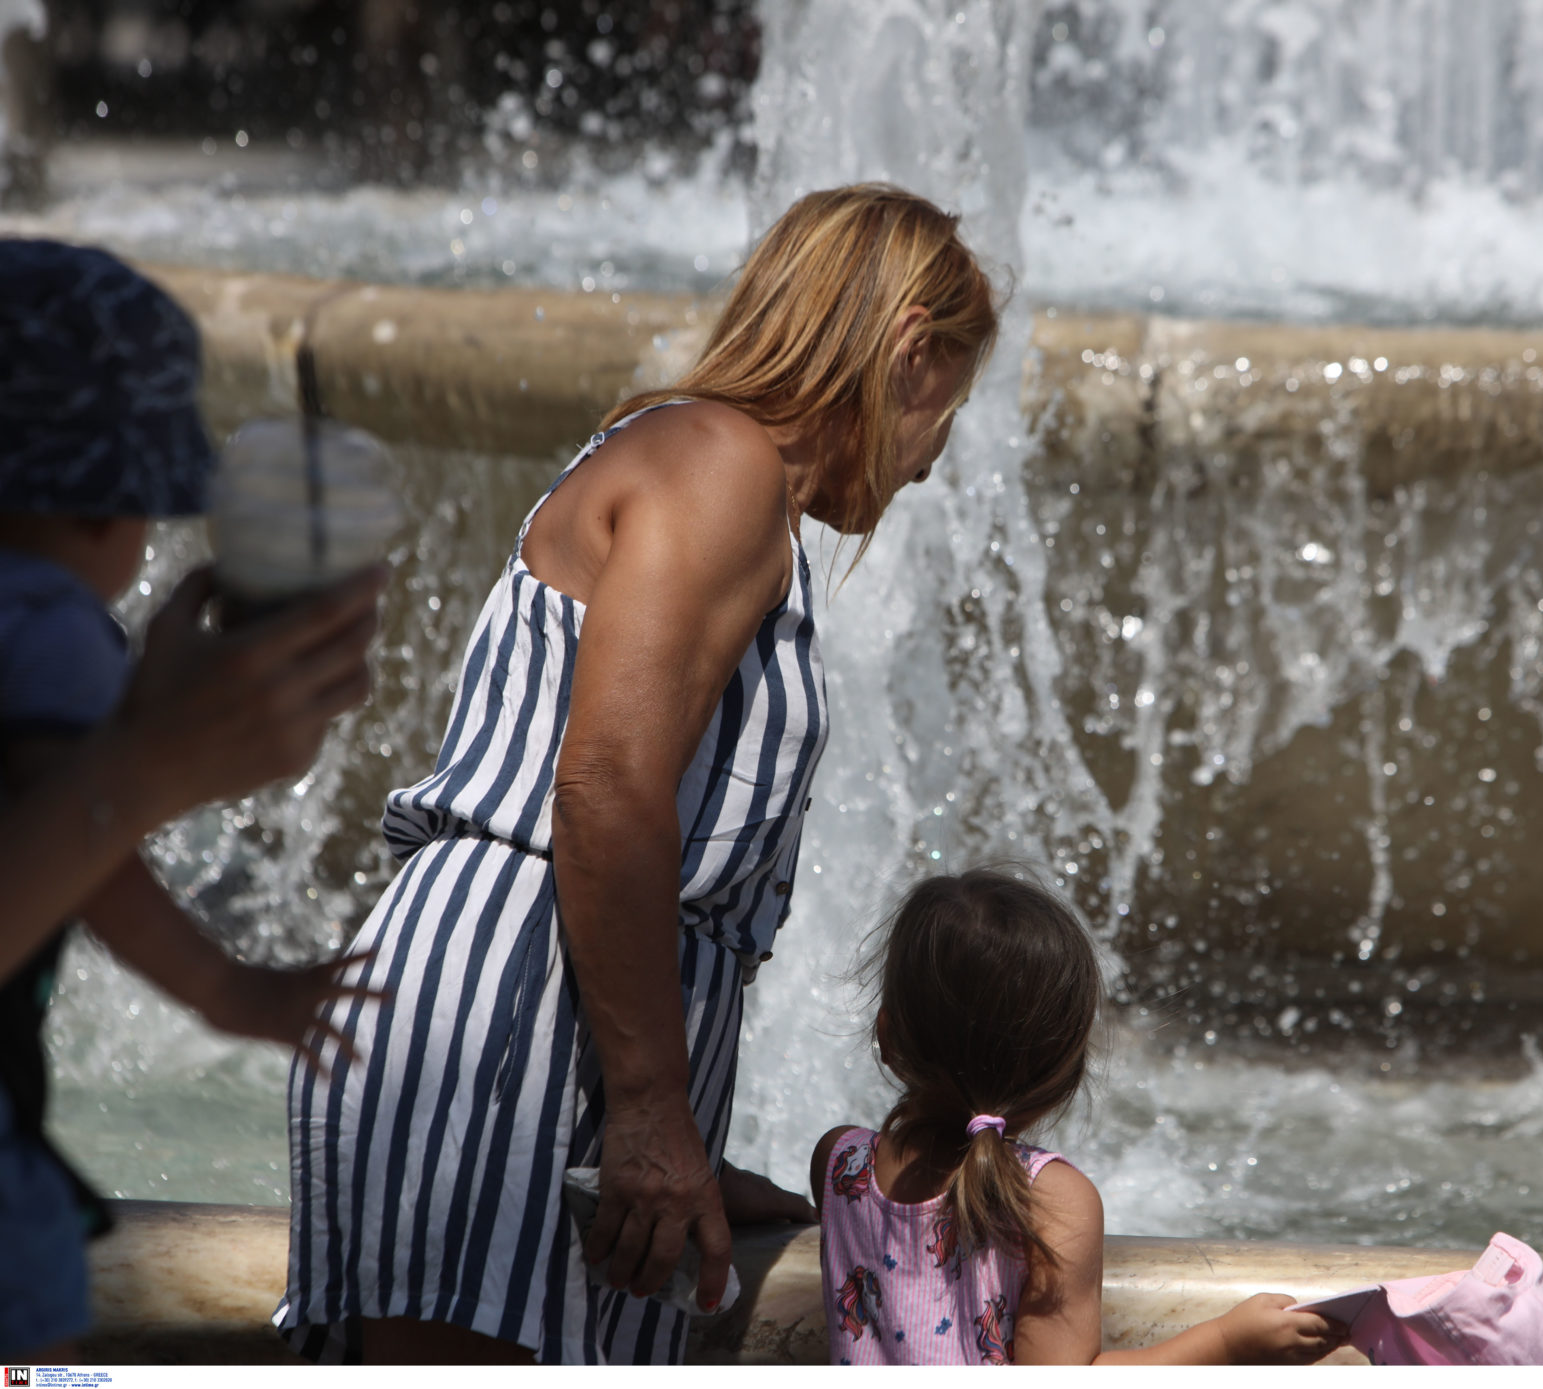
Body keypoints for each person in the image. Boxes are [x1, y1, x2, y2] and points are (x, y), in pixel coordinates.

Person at [277, 184, 1001, 1365]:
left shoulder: (705, 465)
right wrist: (654, 1111)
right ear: (910, 350)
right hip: (505, 1035)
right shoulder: (719, 463)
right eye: (947, 411)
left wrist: (682, 1134)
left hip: (536, 1040)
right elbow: (609, 787)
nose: (929, 464)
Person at [0, 240, 386, 1363]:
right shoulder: (47, 625)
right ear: (102, 512)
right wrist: (163, 755)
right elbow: (90, 841)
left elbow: (61, 850)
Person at [811, 868, 1348, 1366]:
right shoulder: (1051, 1202)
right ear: (1064, 1064)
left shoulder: (838, 1163)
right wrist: (1228, 1341)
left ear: (887, 1036)